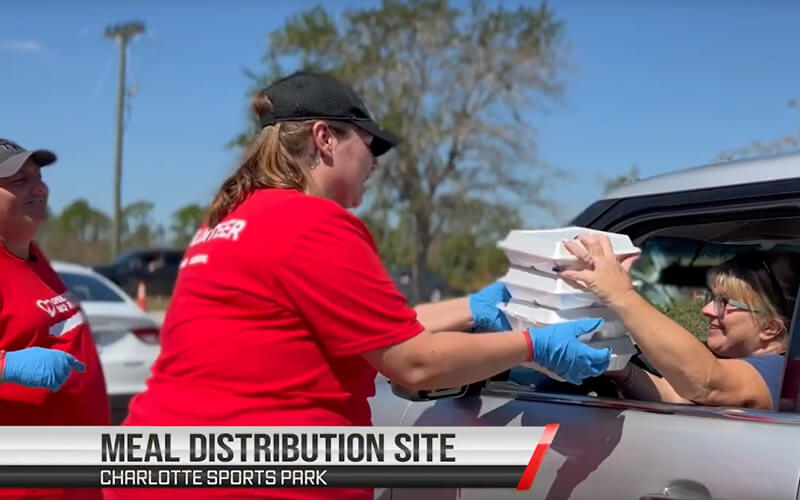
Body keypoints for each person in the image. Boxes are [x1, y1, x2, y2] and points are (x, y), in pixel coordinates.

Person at [106, 72, 610, 500]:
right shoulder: (313, 223)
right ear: (325, 139)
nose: (374, 163)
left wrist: (472, 309)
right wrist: (532, 345)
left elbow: (367, 330)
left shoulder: (232, 220)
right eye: (369, 145)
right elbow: (413, 363)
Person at [560, 233, 800, 411]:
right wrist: (620, 368)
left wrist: (620, 294)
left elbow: (707, 383)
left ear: (770, 328)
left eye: (724, 303)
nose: (706, 310)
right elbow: (679, 396)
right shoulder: (742, 368)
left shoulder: (781, 372)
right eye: (711, 298)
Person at [0, 138, 110, 499]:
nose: (39, 188)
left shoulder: (33, 256)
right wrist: (8, 366)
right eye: (20, 181)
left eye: (39, 177)